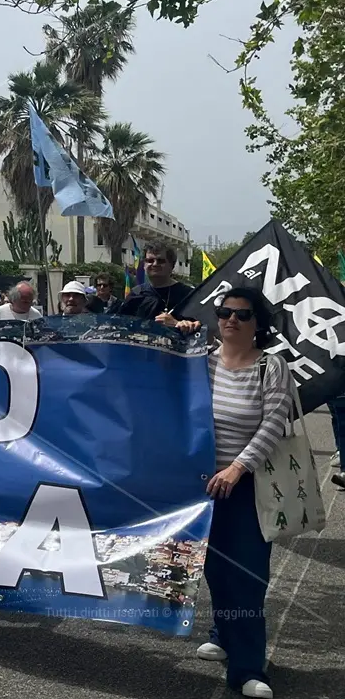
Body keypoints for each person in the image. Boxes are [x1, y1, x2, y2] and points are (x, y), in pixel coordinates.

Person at [193, 287, 295, 699]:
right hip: (201, 485)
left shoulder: (271, 367)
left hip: (249, 483)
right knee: (214, 569)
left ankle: (249, 667)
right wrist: (173, 332)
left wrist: (238, 467)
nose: (231, 319)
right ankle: (223, 630)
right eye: (224, 312)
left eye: (242, 314)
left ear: (258, 324)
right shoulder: (200, 361)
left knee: (248, 575)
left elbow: (272, 424)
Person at [120, 243, 195, 326]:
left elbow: (202, 326)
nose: (155, 264)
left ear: (172, 265)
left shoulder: (188, 295)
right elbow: (122, 324)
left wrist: (177, 323)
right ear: (144, 265)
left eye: (160, 261)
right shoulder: (136, 293)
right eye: (150, 261)